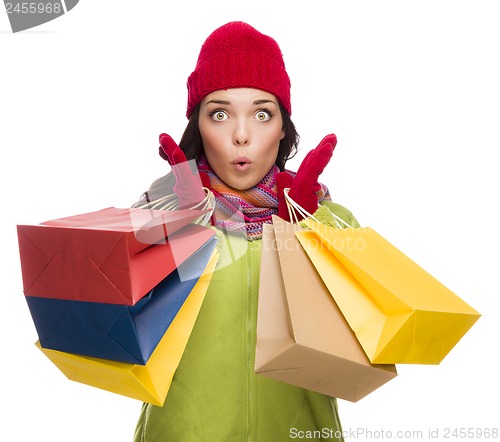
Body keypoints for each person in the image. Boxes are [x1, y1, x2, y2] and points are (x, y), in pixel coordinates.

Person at [133, 21, 359, 442]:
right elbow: (121, 318)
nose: (241, 135)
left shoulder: (320, 213)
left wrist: (309, 227)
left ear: (282, 126)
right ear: (197, 125)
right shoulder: (161, 214)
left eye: (261, 113)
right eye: (220, 113)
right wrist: (182, 221)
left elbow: (363, 312)